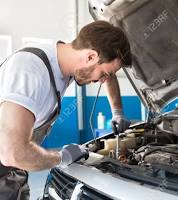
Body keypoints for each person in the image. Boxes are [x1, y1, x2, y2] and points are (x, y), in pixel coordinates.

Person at [0, 20, 132, 199]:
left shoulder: (70, 65)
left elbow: (109, 76)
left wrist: (117, 111)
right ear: (91, 57)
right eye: (103, 74)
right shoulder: (29, 70)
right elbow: (13, 153)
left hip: (14, 171)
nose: (103, 80)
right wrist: (61, 157)